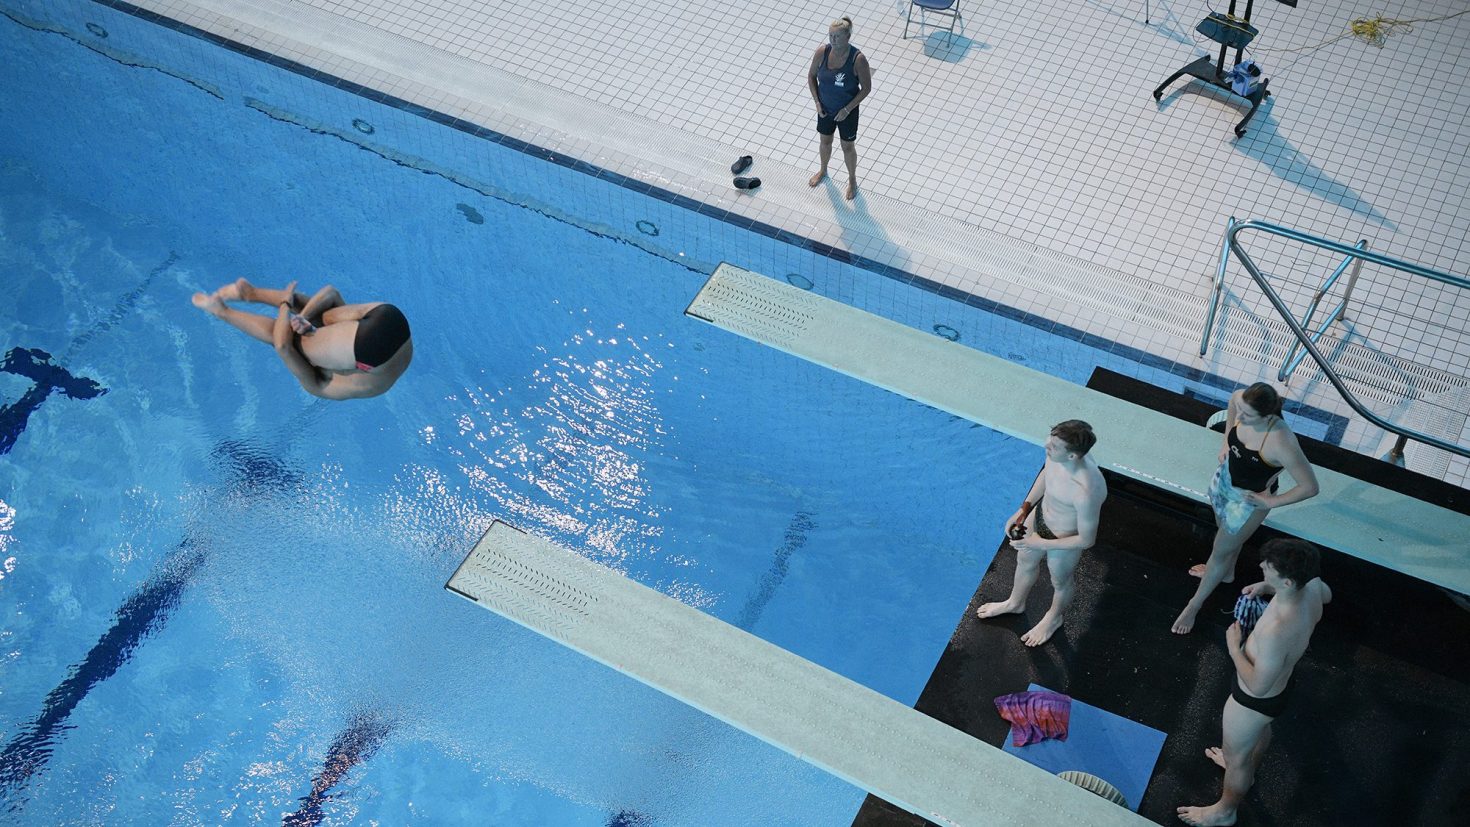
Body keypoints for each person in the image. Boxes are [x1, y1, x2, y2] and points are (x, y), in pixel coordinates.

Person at [1178, 538, 1331, 826]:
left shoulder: (1278, 630)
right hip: (1279, 691)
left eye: (1269, 569)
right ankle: (1247, 765)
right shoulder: (1312, 588)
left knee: (1236, 760)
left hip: (1253, 700)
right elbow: (1326, 595)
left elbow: (1258, 685)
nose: (1261, 566)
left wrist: (1234, 647)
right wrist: (1266, 586)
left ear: (1287, 583)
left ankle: (1225, 811)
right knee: (1257, 735)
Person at [1172, 383, 1319, 634]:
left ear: (1268, 416)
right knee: (1224, 538)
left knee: (1219, 550)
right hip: (1224, 482)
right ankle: (1226, 572)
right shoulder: (1241, 399)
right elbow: (1233, 405)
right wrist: (1226, 442)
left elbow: (1309, 487)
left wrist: (1271, 501)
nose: (1240, 416)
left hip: (1248, 503)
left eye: (1247, 416)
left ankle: (1192, 606)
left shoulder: (1281, 441)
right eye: (1242, 410)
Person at [976, 420, 1107, 647]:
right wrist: (1023, 508)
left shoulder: (1087, 490)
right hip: (1038, 518)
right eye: (1050, 438)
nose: (1047, 445)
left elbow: (1087, 540)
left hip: (1063, 538)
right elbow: (1047, 475)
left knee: (1060, 581)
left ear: (1073, 457)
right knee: (1024, 560)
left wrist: (1040, 543)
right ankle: (1015, 603)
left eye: (1054, 445)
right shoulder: (1057, 454)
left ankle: (1054, 618)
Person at [191, 278, 412, 400]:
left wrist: (301, 315)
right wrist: (286, 306)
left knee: (324, 317)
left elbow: (330, 292)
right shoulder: (321, 386)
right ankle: (221, 310)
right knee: (295, 341)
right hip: (372, 352)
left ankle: (252, 293)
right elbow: (283, 345)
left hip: (393, 318)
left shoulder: (331, 380)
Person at [806, 16, 872, 201]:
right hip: (825, 108)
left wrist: (847, 109)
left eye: (836, 36)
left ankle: (852, 180)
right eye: (830, 35)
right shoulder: (822, 52)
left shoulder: (858, 60)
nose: (832, 40)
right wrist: (817, 103)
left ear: (847, 37)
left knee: (847, 147)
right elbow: (811, 76)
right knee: (824, 141)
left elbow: (866, 88)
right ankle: (823, 170)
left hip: (847, 112)